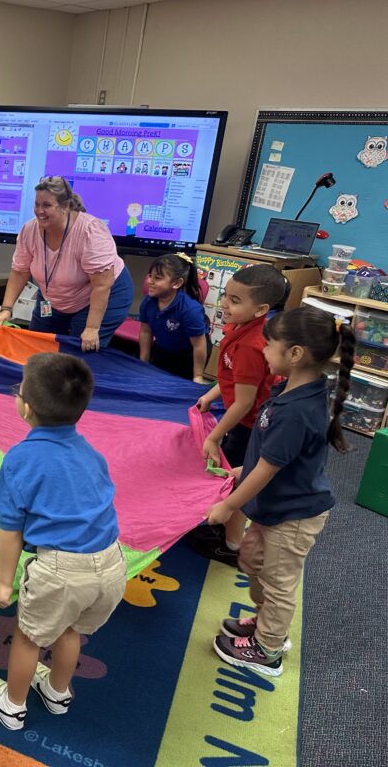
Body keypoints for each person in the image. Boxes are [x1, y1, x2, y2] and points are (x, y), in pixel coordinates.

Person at [206, 307, 355, 676]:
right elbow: (273, 455)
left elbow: (270, 468)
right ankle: (265, 622)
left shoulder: (298, 410)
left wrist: (228, 505)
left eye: (268, 345)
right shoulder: (287, 391)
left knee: (277, 582)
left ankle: (268, 648)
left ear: (295, 354)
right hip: (275, 508)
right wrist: (242, 468)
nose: (263, 351)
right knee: (251, 561)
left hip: (294, 515)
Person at [0, 353, 126, 730]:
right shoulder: (92, 454)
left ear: (26, 407)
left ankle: (12, 705)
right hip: (110, 563)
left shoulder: (21, 459)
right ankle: (58, 693)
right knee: (68, 630)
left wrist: (3, 581)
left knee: (28, 637)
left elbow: (11, 529)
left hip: (61, 571)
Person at [193, 264, 290, 566]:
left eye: (235, 301)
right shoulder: (240, 328)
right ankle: (227, 528)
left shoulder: (250, 345)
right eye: (226, 295)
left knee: (239, 480)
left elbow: (244, 402)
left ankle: (231, 545)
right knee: (234, 473)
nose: (224, 304)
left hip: (252, 425)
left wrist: (215, 435)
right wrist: (211, 394)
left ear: (261, 309)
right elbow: (234, 378)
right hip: (247, 419)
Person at [0, 176, 134, 352]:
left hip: (102, 295)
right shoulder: (29, 230)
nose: (39, 211)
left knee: (76, 354)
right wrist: (6, 309)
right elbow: (20, 271)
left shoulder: (90, 231)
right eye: (37, 204)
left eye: (46, 205)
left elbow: (102, 285)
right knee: (38, 348)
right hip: (53, 298)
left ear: (65, 206)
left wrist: (91, 328)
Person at [138, 252, 209, 382]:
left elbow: (199, 346)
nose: (150, 281)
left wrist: (198, 376)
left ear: (176, 283)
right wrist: (143, 362)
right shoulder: (148, 302)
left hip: (187, 355)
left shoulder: (190, 310)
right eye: (150, 276)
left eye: (157, 278)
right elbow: (145, 331)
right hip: (162, 349)